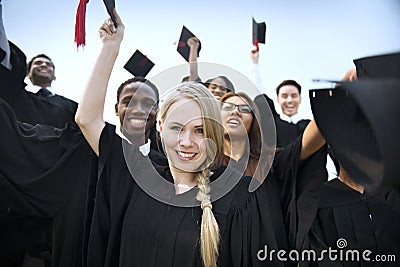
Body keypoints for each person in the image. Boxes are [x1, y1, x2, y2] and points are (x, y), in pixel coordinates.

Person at [75, 10, 329, 266]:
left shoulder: (240, 197)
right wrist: (110, 47)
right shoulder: (138, 177)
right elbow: (87, 119)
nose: (186, 142)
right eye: (177, 128)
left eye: (200, 131)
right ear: (160, 126)